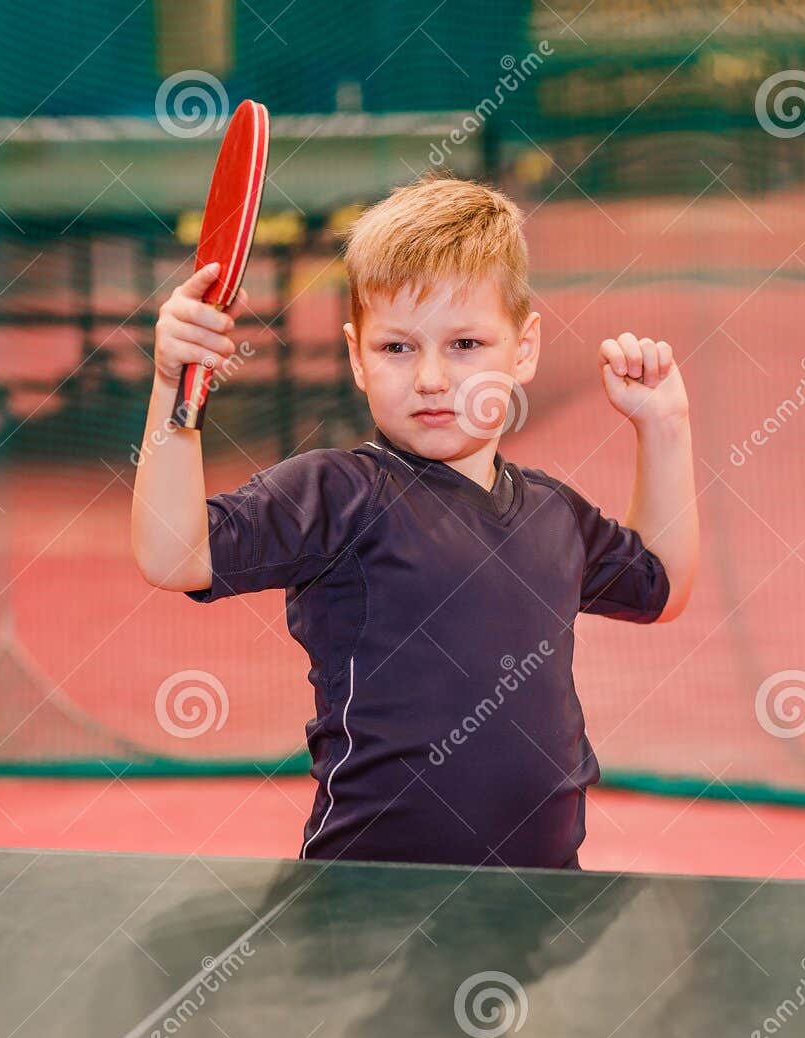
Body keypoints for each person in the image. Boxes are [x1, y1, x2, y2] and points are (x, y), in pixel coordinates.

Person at [131, 175, 698, 870]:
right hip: (367, 904)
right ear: (356, 356)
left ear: (523, 349)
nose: (431, 377)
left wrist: (665, 429)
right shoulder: (339, 493)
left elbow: (660, 584)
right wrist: (173, 386)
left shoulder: (555, 513)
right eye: (397, 348)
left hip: (542, 901)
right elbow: (173, 552)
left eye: (465, 344)